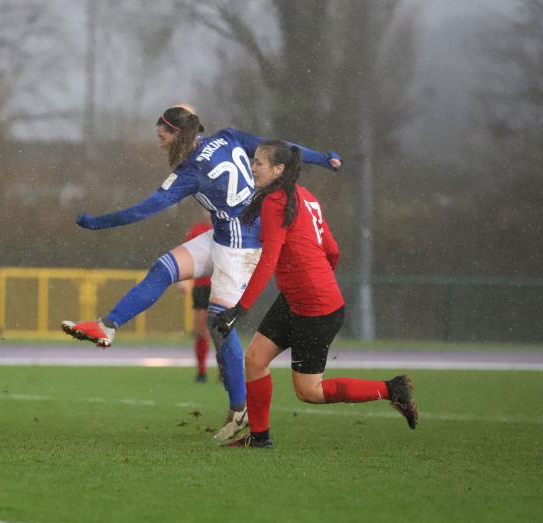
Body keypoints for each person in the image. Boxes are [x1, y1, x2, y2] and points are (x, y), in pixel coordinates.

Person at [61, 105, 341, 441]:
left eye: (162, 136)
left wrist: (98, 223)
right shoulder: (228, 137)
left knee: (220, 323)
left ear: (178, 135)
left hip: (239, 248)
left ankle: (240, 409)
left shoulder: (191, 172)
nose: (160, 143)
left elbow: (144, 209)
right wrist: (323, 158)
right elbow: (286, 149)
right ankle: (107, 326)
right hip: (222, 235)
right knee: (164, 268)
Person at [210, 140, 418, 449]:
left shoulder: (276, 202)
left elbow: (269, 260)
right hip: (301, 299)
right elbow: (332, 251)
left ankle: (392, 389)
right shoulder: (305, 197)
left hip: (315, 309)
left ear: (278, 169)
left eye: (258, 163)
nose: (252, 168)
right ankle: (259, 437)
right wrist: (312, 280)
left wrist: (240, 310)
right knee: (254, 359)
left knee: (310, 392)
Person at [178, 212, 213, 383]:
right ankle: (201, 372)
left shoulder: (229, 227)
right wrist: (184, 280)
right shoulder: (197, 230)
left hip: (223, 285)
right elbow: (186, 256)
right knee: (201, 330)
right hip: (202, 286)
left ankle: (226, 371)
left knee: (223, 332)